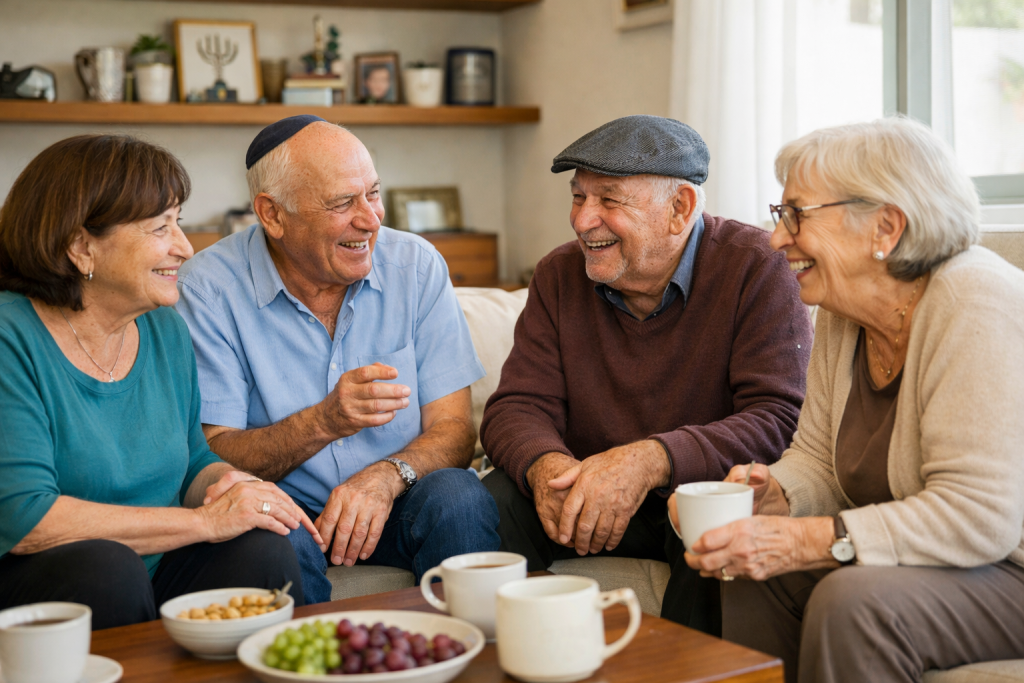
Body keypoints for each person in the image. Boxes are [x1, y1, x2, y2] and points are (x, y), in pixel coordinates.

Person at [675, 117, 1024, 683]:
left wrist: (812, 540)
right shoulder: (843, 313)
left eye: (797, 215)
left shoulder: (976, 303)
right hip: (947, 561)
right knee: (745, 567)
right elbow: (817, 458)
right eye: (778, 214)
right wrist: (775, 496)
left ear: (885, 226)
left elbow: (979, 516)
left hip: (1008, 566)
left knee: (853, 602)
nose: (776, 237)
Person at [480, 115, 813, 634]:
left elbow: (778, 420)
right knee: (495, 496)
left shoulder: (756, 266)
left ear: (679, 208)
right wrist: (545, 468)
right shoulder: (557, 275)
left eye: (609, 201)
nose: (583, 220)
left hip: (693, 492)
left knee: (718, 512)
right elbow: (515, 406)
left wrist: (650, 461)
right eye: (578, 197)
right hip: (584, 496)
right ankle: (517, 656)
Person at [175, 116, 500, 606]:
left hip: (399, 496)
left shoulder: (417, 265)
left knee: (459, 495)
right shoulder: (208, 288)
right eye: (342, 203)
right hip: (286, 511)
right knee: (266, 531)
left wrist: (386, 477)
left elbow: (454, 429)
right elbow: (213, 455)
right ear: (272, 214)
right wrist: (325, 421)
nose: (370, 219)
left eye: (373, 193)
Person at [0, 135, 314, 630]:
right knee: (107, 566)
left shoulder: (164, 328)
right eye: (159, 228)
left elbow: (193, 460)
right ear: (81, 246)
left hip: (152, 565)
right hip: (41, 578)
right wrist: (204, 523)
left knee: (260, 548)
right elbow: (24, 518)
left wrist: (231, 485)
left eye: (179, 223)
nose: (185, 248)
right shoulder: (10, 337)